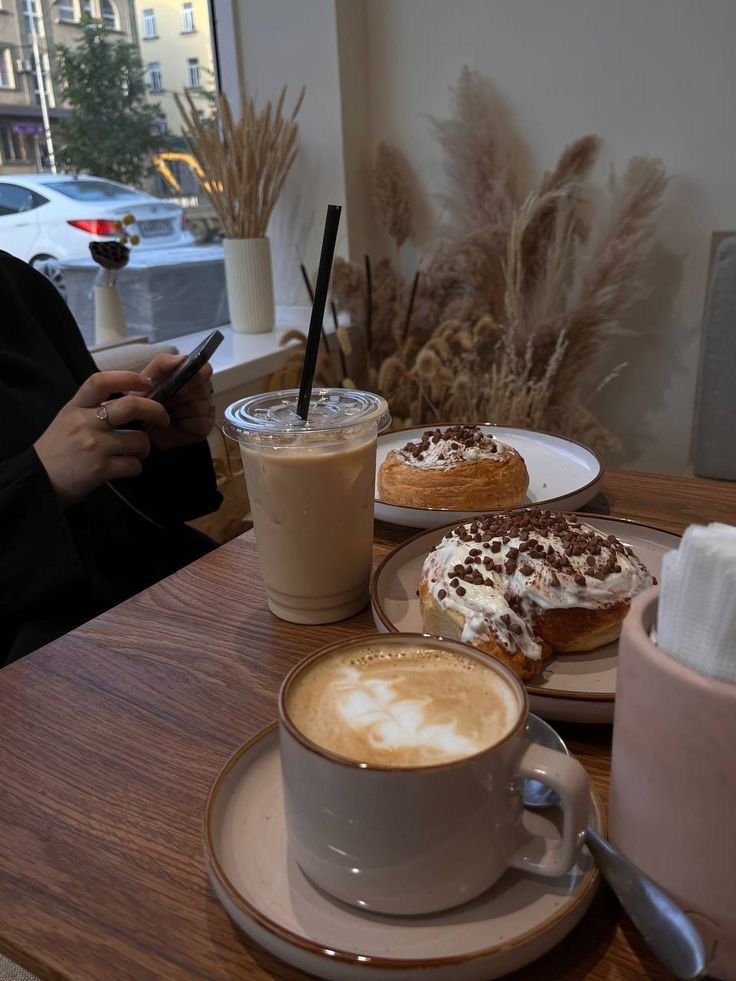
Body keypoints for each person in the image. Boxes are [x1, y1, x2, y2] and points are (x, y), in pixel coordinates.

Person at [0, 250, 222, 665]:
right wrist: (40, 479)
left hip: (145, 588)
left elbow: (115, 503)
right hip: (41, 650)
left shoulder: (19, 285)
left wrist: (152, 439)